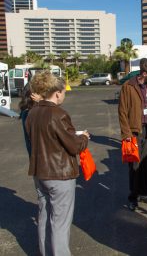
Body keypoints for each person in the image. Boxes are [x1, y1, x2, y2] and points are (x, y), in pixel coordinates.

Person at [25, 71, 89, 255]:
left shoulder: (32, 113)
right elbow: (73, 145)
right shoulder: (58, 114)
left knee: (44, 217)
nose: (64, 95)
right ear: (57, 93)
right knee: (60, 223)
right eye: (64, 92)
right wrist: (83, 137)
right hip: (59, 174)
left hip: (39, 172)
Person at [118, 60, 147, 211]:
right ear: (144, 74)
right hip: (134, 131)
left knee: (146, 163)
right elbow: (122, 112)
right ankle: (133, 196)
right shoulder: (128, 87)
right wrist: (126, 133)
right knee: (135, 165)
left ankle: (144, 193)